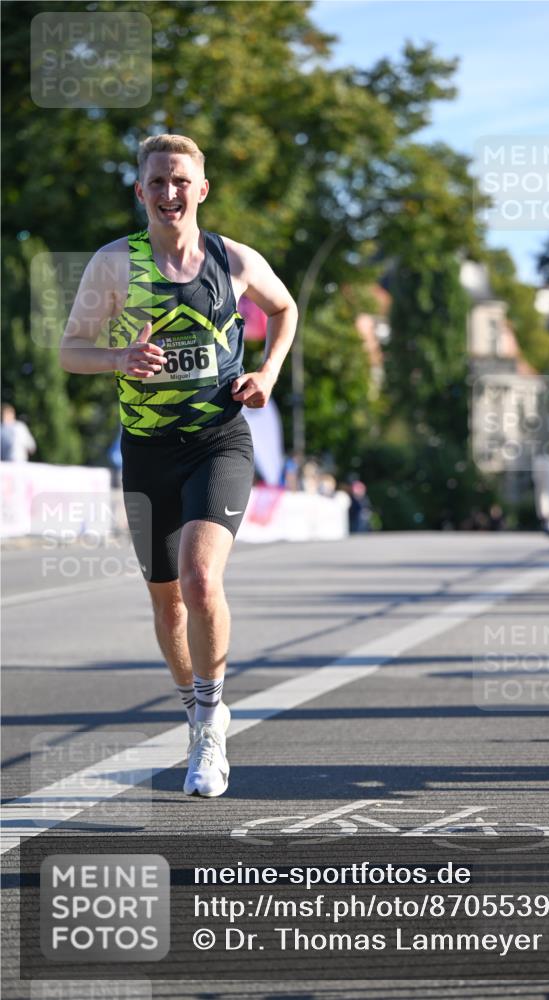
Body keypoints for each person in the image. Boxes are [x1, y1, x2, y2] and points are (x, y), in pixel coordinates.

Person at [60, 134, 297, 797]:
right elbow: (70, 350)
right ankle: (200, 713)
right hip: (146, 452)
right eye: (157, 182)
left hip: (218, 440)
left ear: (202, 190)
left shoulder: (234, 260)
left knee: (199, 578)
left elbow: (285, 309)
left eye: (180, 181)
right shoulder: (113, 266)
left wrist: (268, 372)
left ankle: (212, 730)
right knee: (166, 607)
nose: (169, 193)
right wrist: (118, 359)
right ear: (141, 193)